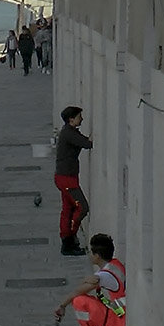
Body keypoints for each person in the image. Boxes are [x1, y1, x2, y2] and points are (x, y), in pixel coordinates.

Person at [53, 233, 126, 326]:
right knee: (87, 299)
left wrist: (62, 305)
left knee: (79, 301)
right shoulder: (115, 265)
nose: (89, 255)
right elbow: (89, 282)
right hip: (122, 318)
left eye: (91, 252)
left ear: (97, 256)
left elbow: (79, 291)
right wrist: (88, 279)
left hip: (119, 324)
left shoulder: (104, 276)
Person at [54, 106, 92, 256]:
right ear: (71, 120)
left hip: (66, 177)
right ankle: (70, 238)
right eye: (79, 116)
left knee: (68, 209)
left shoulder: (70, 132)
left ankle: (67, 240)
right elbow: (87, 143)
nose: (81, 119)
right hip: (67, 179)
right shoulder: (69, 134)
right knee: (82, 207)